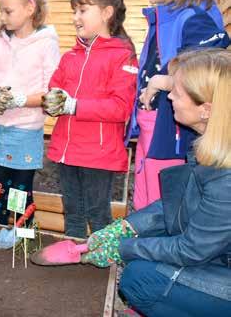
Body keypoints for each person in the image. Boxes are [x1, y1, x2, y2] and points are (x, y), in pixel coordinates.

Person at [78, 48, 231, 316]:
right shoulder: (213, 147)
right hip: (218, 255)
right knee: (148, 244)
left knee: (139, 279)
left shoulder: (226, 177)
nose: (169, 96)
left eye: (178, 92)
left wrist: (122, 248)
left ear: (206, 110)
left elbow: (192, 249)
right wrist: (125, 227)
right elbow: (179, 204)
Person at [128, 0, 230, 210]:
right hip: (156, 126)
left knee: (166, 205)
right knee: (146, 201)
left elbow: (212, 75)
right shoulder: (164, 17)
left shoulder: (197, 19)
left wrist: (166, 80)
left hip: (175, 135)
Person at [42, 0, 138, 238]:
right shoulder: (71, 56)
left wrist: (74, 105)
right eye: (75, 11)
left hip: (99, 153)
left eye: (82, 10)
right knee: (72, 211)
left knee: (97, 214)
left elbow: (120, 108)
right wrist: (52, 101)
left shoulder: (123, 56)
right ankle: (72, 258)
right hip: (67, 149)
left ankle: (102, 265)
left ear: (106, 13)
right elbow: (55, 87)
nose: (75, 18)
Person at [0, 0, 61, 225]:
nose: (3, 17)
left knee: (21, 188)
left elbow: (51, 93)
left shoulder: (46, 43)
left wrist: (19, 99)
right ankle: (2, 225)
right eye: (1, 11)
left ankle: (23, 230)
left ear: (29, 9)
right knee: (0, 185)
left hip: (26, 130)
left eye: (8, 11)